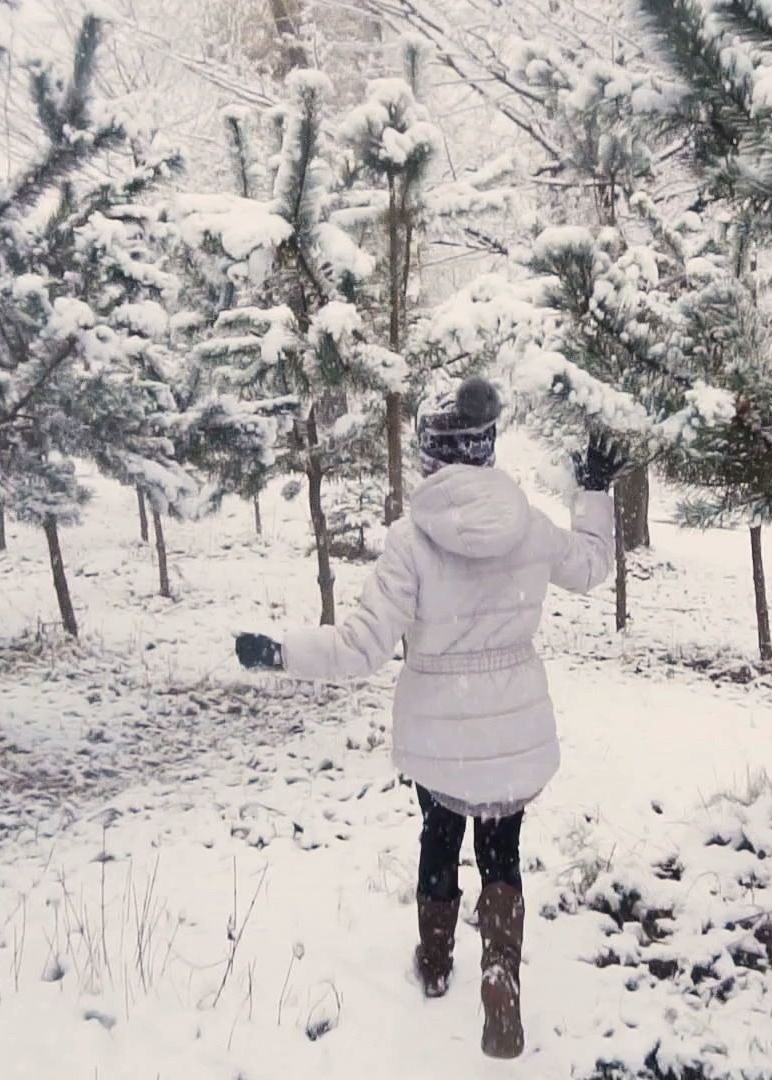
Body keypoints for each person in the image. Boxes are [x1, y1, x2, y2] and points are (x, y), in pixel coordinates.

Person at [234, 376, 624, 1059]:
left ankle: (437, 962)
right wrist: (593, 490)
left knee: (440, 836)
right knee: (501, 853)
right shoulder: (529, 527)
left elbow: (360, 649)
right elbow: (592, 567)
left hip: (438, 734)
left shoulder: (409, 542)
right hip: (514, 731)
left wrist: (279, 651)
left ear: (430, 455)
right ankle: (500, 974)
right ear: (485, 448)